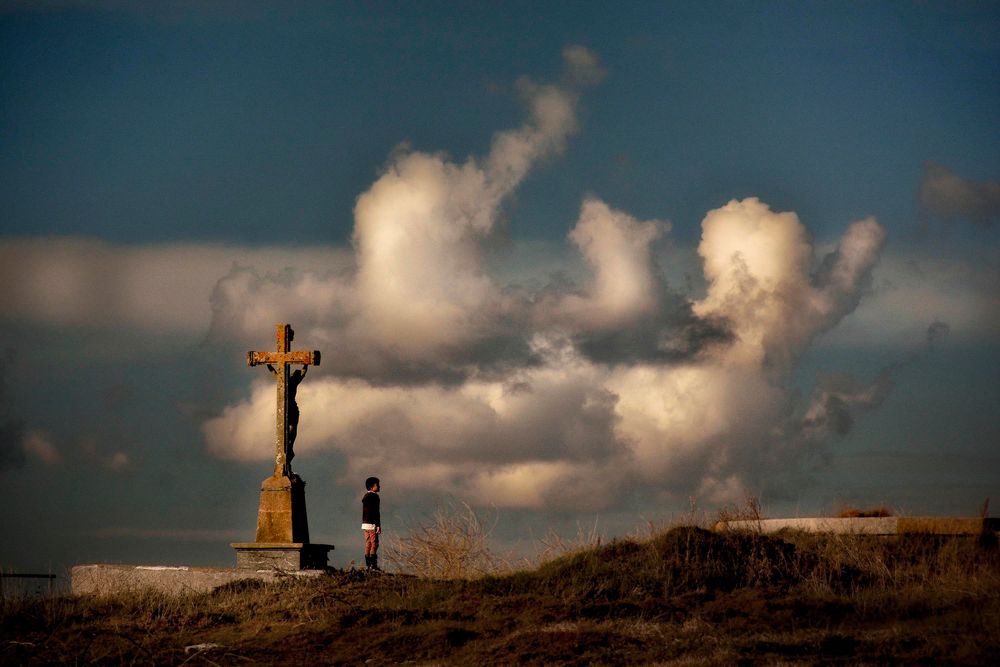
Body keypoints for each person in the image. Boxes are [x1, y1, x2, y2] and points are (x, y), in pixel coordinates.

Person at [362, 476, 381, 571]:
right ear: (371, 486)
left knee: (368, 544)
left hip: (364, 524)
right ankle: (373, 565)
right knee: (375, 544)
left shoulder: (365, 496)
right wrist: (378, 525)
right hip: (372, 524)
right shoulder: (375, 497)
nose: (379, 486)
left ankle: (368, 565)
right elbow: (376, 512)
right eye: (377, 485)